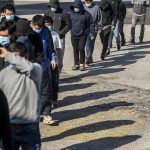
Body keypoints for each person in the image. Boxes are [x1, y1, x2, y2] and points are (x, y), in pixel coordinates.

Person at [0, 42, 42, 149]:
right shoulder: (3, 74)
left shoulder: (36, 69)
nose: (15, 61)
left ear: (26, 57)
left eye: (17, 57)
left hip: (30, 125)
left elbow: (29, 68)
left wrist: (9, 55)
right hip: (9, 126)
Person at [31, 15, 59, 125]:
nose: (39, 29)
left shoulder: (45, 31)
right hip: (31, 66)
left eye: (41, 27)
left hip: (45, 64)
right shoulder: (27, 32)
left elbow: (50, 47)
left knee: (47, 90)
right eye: (37, 27)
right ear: (32, 24)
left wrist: (53, 59)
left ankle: (47, 114)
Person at [44, 0, 71, 64]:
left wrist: (61, 33)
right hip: (49, 37)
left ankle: (58, 71)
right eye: (51, 6)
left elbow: (69, 25)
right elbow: (44, 23)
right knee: (49, 55)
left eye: (53, 6)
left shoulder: (64, 13)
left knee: (59, 56)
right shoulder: (47, 12)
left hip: (60, 37)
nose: (52, 8)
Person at [70, 0, 91, 71]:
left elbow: (90, 24)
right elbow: (68, 23)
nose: (76, 8)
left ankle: (82, 64)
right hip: (74, 34)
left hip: (83, 34)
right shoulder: (71, 14)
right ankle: (76, 64)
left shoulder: (86, 14)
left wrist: (88, 32)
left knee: (81, 48)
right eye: (74, 7)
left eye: (77, 7)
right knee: (75, 49)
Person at [45, 16, 61, 108]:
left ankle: (54, 98)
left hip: (54, 61)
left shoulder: (55, 34)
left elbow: (58, 48)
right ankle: (47, 101)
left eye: (49, 24)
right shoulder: (40, 34)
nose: (47, 26)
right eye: (45, 24)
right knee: (46, 82)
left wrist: (60, 60)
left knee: (55, 81)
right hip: (44, 62)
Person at [84, 0, 101, 64]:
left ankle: (89, 55)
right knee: (87, 43)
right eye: (86, 1)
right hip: (85, 28)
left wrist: (99, 26)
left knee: (91, 43)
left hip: (94, 28)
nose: (87, 3)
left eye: (89, 1)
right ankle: (87, 56)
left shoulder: (96, 7)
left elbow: (99, 18)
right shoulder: (83, 7)